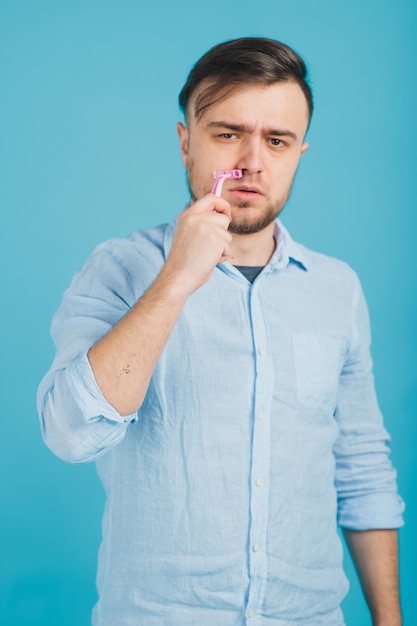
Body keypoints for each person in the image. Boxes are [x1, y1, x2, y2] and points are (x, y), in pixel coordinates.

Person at [37, 37, 404, 626]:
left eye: (277, 140)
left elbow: (361, 469)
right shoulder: (120, 268)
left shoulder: (338, 289)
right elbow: (71, 434)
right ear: (186, 143)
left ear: (298, 153)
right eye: (228, 134)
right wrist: (176, 280)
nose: (252, 162)